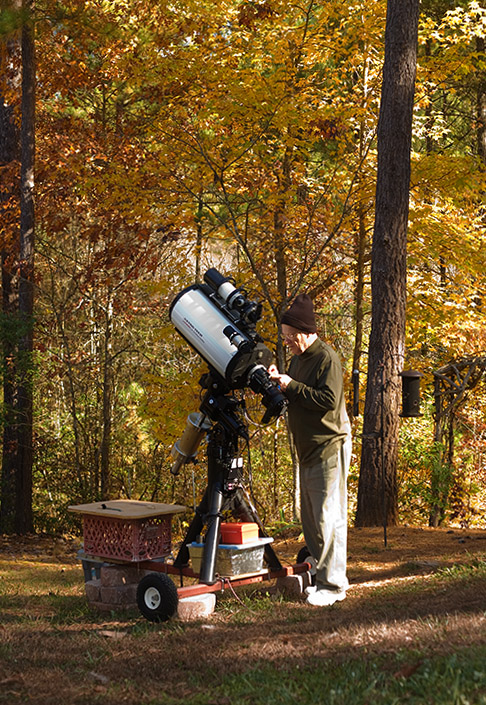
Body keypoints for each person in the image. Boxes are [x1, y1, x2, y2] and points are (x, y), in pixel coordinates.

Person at [268, 293, 352, 607]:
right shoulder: (297, 359)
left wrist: (291, 385)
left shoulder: (326, 358)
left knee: (327, 518)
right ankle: (326, 576)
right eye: (285, 336)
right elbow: (297, 395)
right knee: (311, 519)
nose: (287, 341)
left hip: (329, 445)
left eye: (291, 336)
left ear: (306, 332)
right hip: (307, 449)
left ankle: (333, 586)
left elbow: (327, 401)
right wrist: (279, 383)